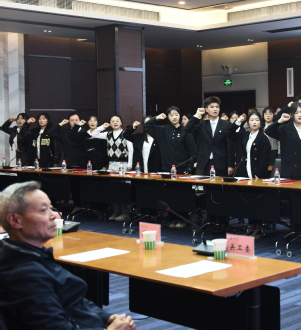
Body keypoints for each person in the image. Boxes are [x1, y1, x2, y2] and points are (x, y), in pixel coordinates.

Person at [0, 181, 136, 330]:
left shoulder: (31, 254)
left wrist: (105, 317)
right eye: (43, 210)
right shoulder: (24, 275)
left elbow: (72, 300)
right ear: (15, 220)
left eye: (52, 208)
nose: (55, 215)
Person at [233, 111, 272, 237]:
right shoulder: (245, 135)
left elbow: (265, 160)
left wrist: (257, 175)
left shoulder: (263, 138)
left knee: (257, 202)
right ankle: (251, 225)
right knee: (248, 201)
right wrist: (238, 121)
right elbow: (230, 133)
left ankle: (258, 228)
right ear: (248, 122)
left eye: (257, 120)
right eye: (252, 120)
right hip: (245, 172)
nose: (254, 122)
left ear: (260, 122)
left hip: (257, 175)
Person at [89, 115, 134, 222]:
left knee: (123, 189)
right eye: (112, 121)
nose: (115, 123)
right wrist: (102, 127)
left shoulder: (125, 134)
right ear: (110, 123)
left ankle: (125, 213)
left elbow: (130, 149)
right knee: (113, 189)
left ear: (121, 123)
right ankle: (116, 211)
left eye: (117, 121)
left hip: (123, 164)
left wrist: (130, 164)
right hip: (111, 164)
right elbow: (93, 134)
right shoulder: (108, 134)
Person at [264, 103, 301, 180]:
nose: (299, 115)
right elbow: (268, 131)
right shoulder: (285, 128)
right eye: (296, 113)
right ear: (291, 114)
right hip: (289, 171)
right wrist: (280, 120)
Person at [185, 97, 236, 177]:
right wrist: (197, 115)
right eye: (212, 107)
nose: (215, 109)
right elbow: (187, 129)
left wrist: (230, 165)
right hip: (204, 162)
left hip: (220, 162)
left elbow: (230, 146)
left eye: (217, 107)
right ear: (206, 109)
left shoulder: (226, 124)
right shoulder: (202, 124)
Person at [143, 107, 196, 174]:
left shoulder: (186, 130)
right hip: (166, 169)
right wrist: (157, 118)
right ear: (168, 117)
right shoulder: (162, 130)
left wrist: (190, 166)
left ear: (179, 116)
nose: (174, 117)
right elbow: (146, 126)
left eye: (176, 115)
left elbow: (192, 151)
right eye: (171, 115)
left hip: (183, 169)